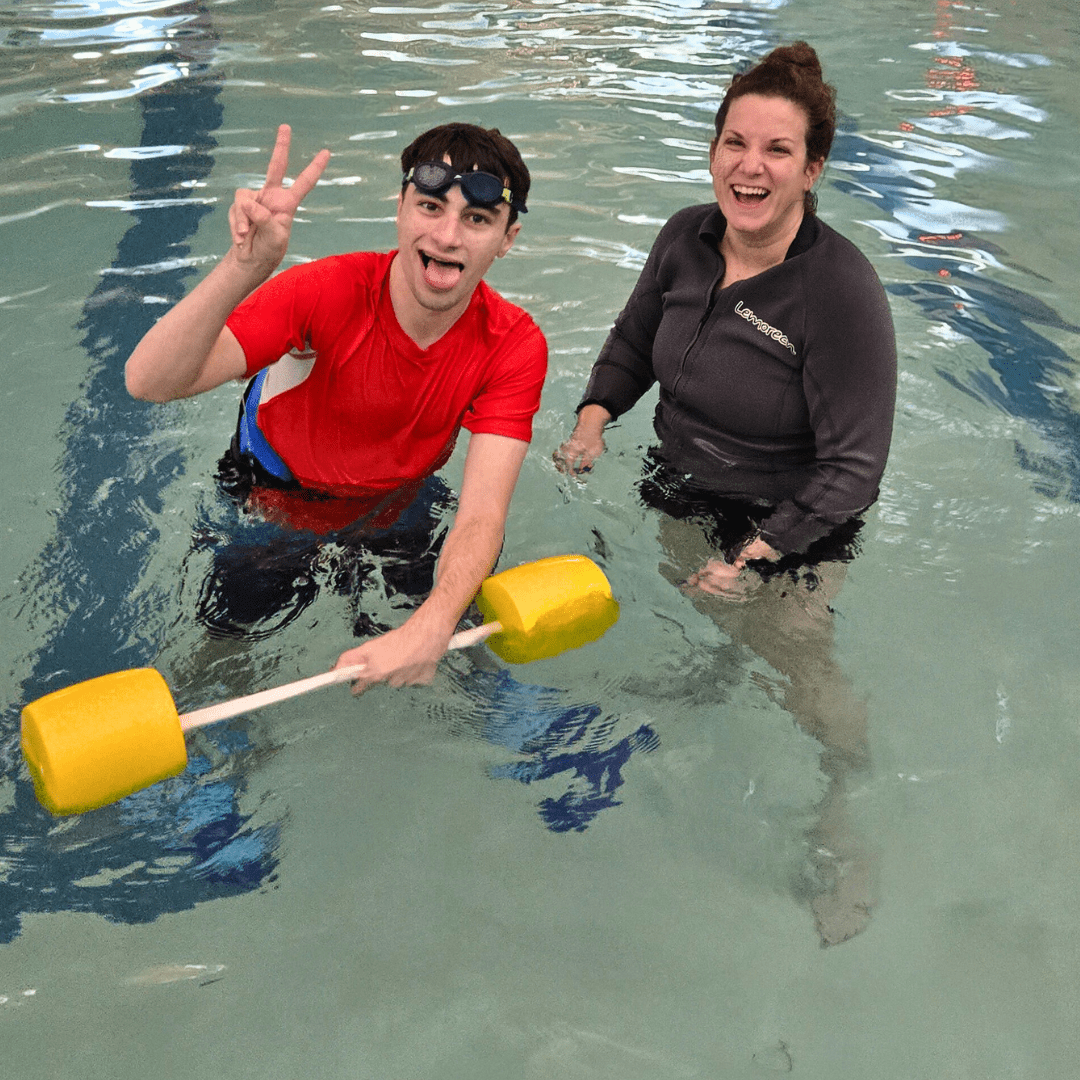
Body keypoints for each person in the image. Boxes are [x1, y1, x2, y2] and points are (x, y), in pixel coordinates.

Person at [556, 43, 897, 945]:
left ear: (812, 169)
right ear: (713, 149)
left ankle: (842, 807)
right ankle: (714, 685)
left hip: (795, 526)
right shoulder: (685, 237)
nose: (751, 166)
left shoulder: (840, 291)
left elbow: (857, 468)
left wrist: (758, 553)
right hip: (679, 490)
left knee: (798, 663)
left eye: (778, 150)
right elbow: (632, 342)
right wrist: (593, 421)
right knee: (707, 627)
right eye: (735, 142)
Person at [126, 122, 547, 692]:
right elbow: (147, 382)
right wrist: (244, 267)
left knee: (454, 622)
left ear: (507, 239)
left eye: (477, 219)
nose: (448, 236)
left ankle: (493, 704)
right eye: (430, 206)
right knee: (228, 648)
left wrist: (430, 629)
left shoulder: (514, 344)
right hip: (274, 506)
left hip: (399, 502)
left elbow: (480, 516)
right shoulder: (324, 291)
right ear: (399, 208)